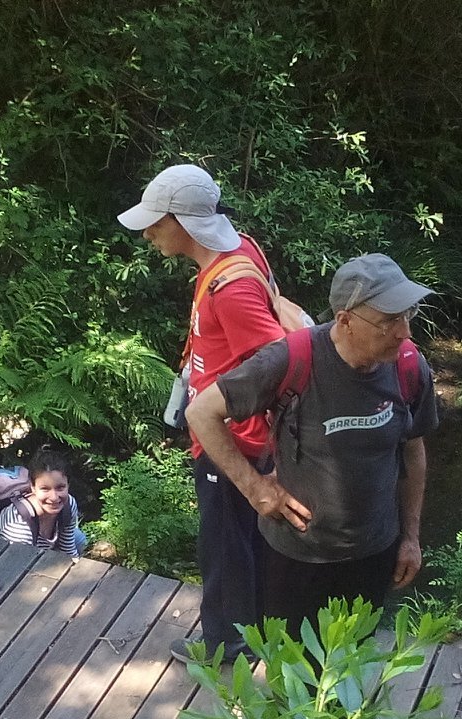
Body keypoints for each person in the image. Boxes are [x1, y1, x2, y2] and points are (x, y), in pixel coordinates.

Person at [186, 253, 439, 639]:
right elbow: (202, 412)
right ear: (345, 321)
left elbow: (413, 452)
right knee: (293, 677)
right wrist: (254, 489)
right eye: (389, 320)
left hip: (374, 553)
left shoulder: (408, 366)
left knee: (352, 666)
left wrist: (410, 538)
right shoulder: (292, 358)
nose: (404, 331)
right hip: (297, 556)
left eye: (408, 315)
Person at [119, 164, 285, 663]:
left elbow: (276, 365)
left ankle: (226, 650)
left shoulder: (230, 289)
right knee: (243, 543)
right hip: (227, 428)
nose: (148, 232)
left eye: (155, 222)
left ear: (184, 221)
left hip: (235, 438)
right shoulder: (235, 251)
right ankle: (255, 638)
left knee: (224, 546)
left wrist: (271, 453)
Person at [0, 449, 89, 556]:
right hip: (5, 556)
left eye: (60, 487)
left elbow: (67, 548)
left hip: (41, 545)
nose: (54, 497)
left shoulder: (69, 504)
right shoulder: (18, 527)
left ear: (68, 484)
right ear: (33, 487)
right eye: (45, 489)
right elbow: (17, 567)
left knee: (79, 539)